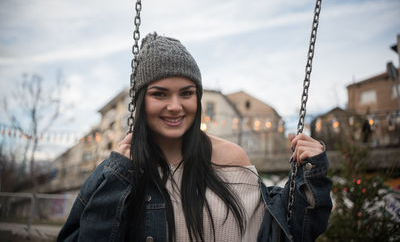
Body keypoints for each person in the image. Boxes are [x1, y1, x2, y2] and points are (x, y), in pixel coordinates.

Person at [57, 33, 332, 242]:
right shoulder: (115, 174)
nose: (175, 105)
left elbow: (276, 233)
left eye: (186, 93)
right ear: (141, 102)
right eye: (160, 94)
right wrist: (117, 180)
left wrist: (312, 173)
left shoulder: (230, 158)